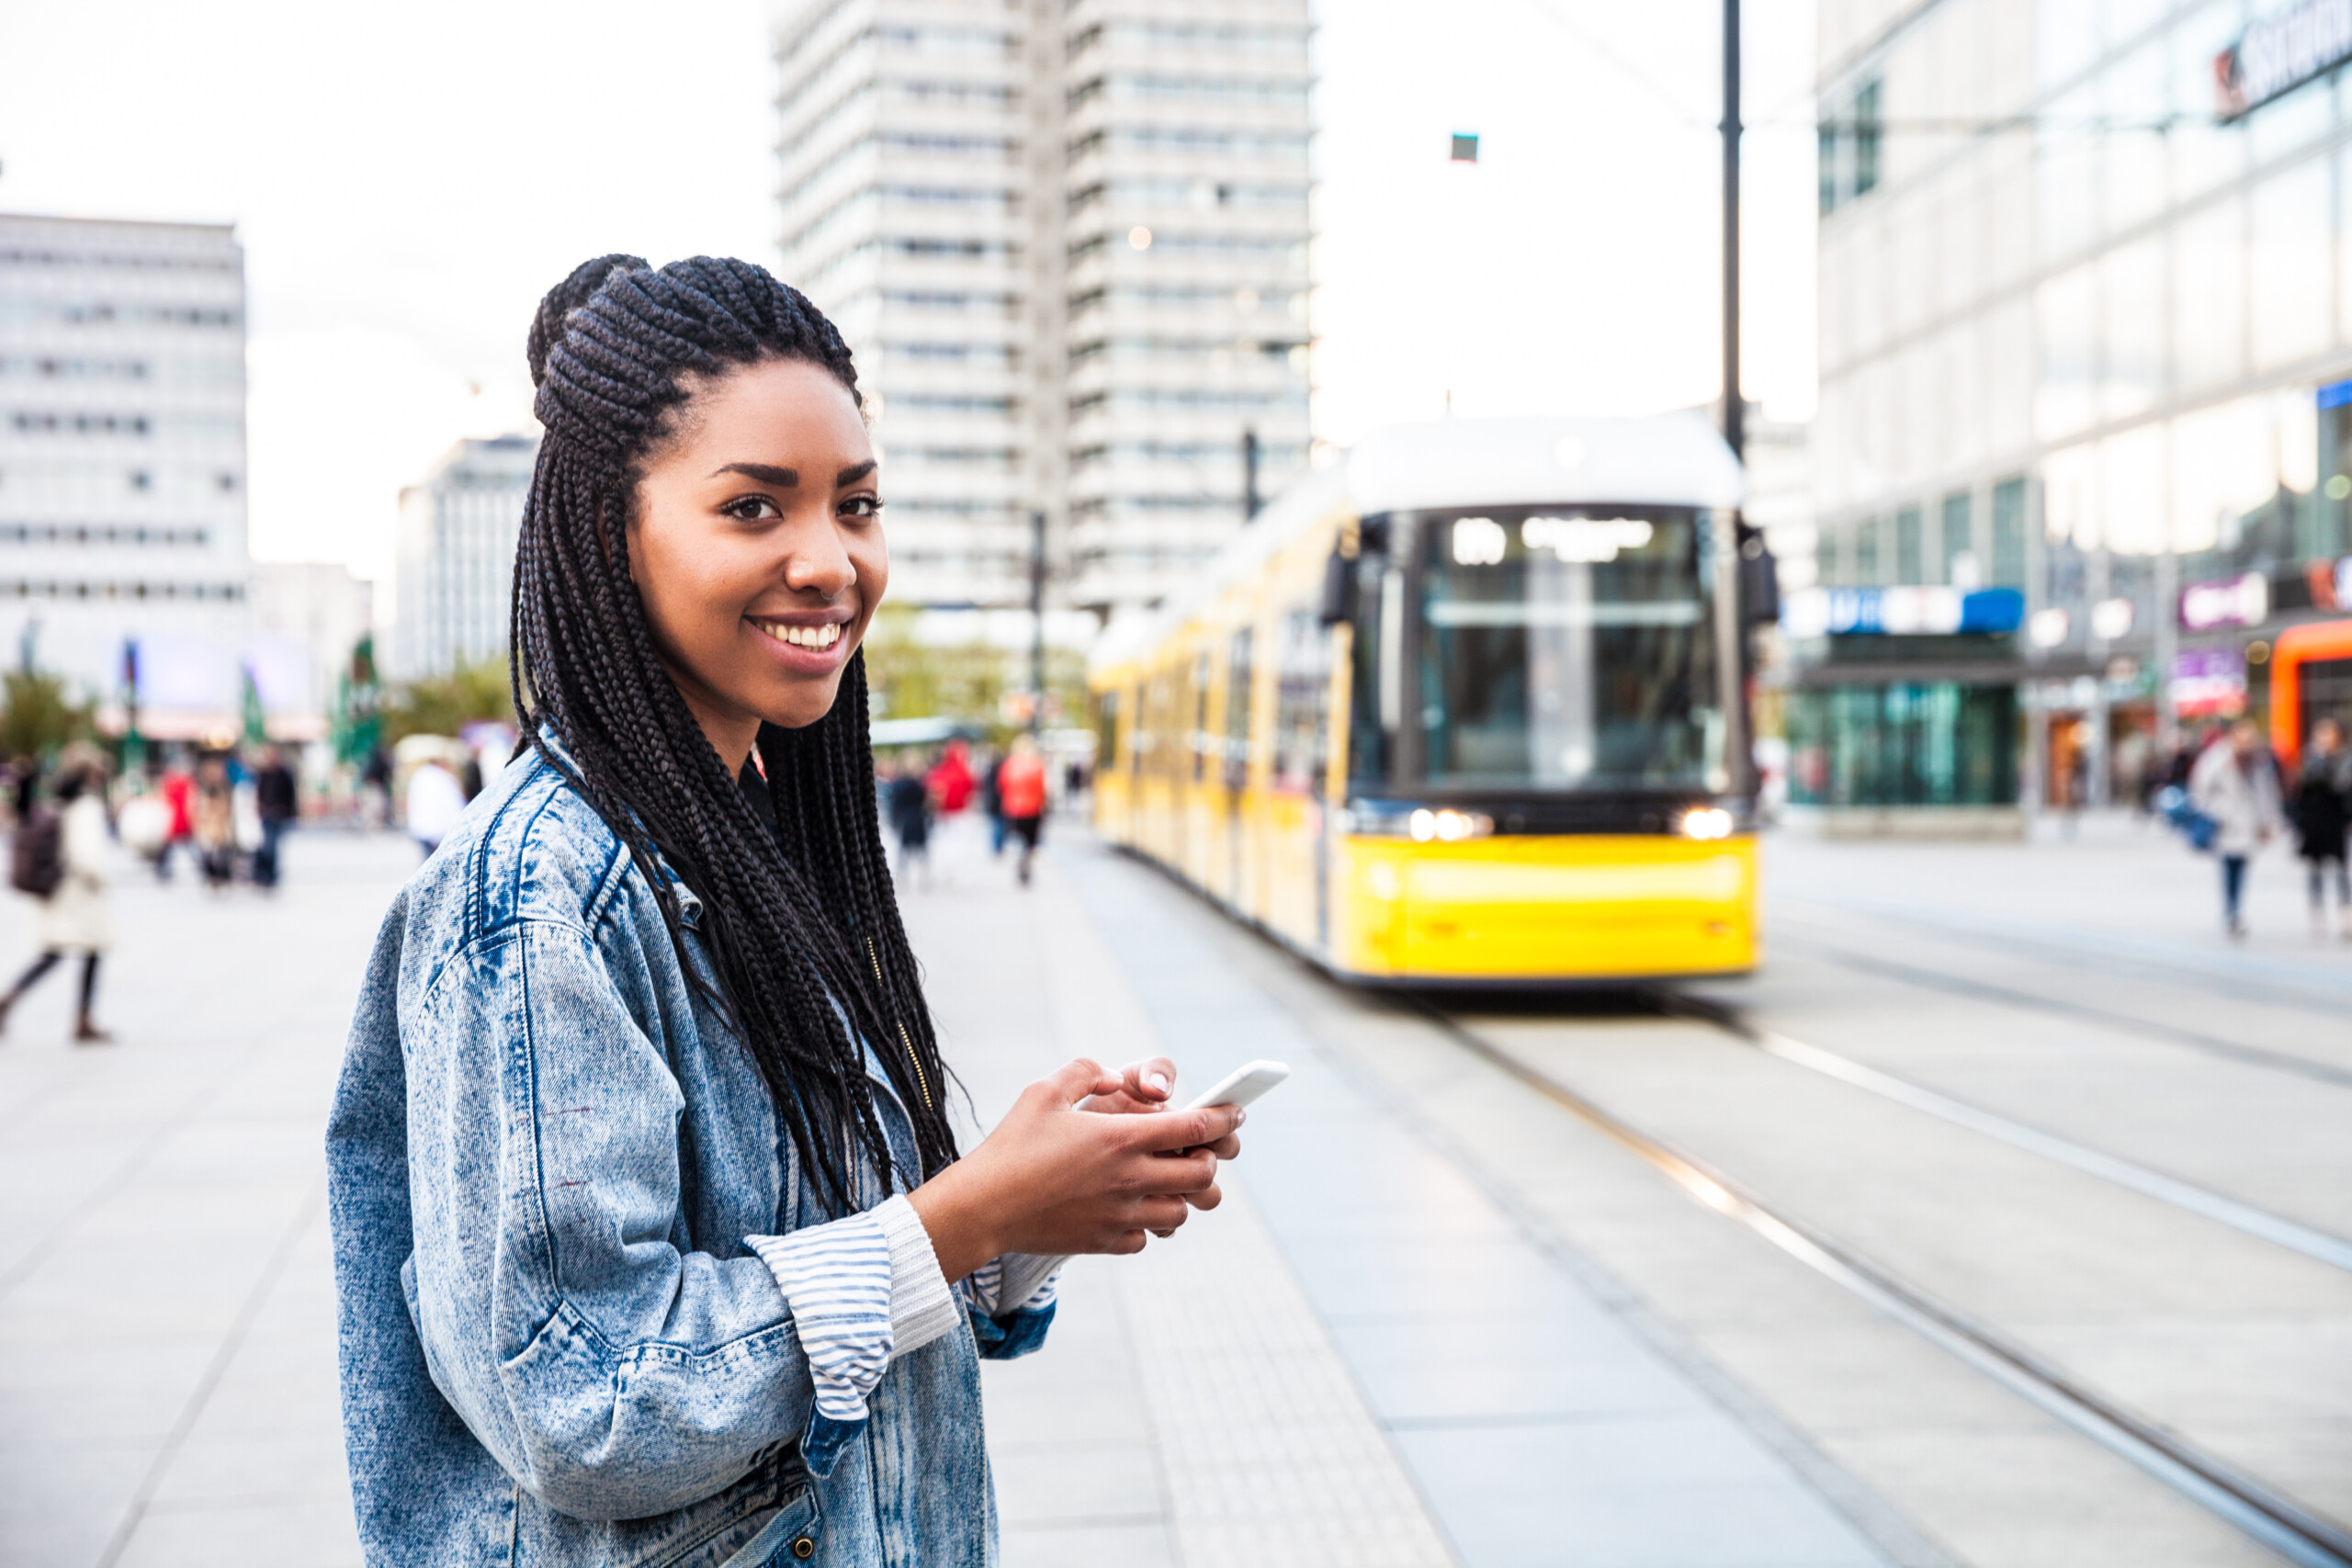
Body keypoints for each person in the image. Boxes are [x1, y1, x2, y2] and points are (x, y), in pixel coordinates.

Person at [325, 255, 1245, 1566]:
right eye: (755, 506)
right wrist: (966, 1215)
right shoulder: (534, 900)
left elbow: (849, 1270)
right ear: (608, 534)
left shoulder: (763, 832)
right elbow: (583, 1400)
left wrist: (1026, 1203)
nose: (830, 561)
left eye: (856, 504)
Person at [0, 759, 112, 1043]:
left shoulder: (57, 803)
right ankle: (83, 1019)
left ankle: (11, 997)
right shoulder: (86, 806)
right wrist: (100, 880)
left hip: (57, 890)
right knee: (91, 949)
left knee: (54, 954)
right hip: (77, 893)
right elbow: (87, 855)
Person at [2190, 718, 2285, 938]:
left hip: (2248, 823)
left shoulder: (2259, 761)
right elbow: (2201, 791)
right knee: (2228, 866)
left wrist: (2269, 821)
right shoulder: (2216, 758)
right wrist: (2220, 812)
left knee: (2241, 867)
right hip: (2226, 823)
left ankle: (2235, 911)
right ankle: (2231, 911)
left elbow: (2267, 793)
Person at [2291, 716, 2352, 939]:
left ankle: (2345, 912)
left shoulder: (2345, 758)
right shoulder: (2310, 757)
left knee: (2340, 868)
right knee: (2314, 869)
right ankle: (2317, 913)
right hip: (2314, 821)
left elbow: (2342, 785)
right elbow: (2301, 787)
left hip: (2336, 820)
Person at [999, 733, 1048, 886]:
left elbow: (1001, 786)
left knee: (1016, 838)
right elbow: (1043, 788)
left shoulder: (1009, 765)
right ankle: (1025, 861)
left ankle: (1020, 861)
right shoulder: (1037, 765)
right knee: (1030, 842)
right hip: (1033, 809)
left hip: (1013, 808)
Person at [401, 750, 467, 861]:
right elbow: (453, 804)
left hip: (421, 827)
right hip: (439, 830)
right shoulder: (444, 778)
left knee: (426, 864)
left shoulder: (418, 776)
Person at [252, 744, 298, 890]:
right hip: (267, 814)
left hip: (279, 814)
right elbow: (259, 792)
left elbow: (291, 795)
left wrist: (288, 812)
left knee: (273, 845)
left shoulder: (284, 774)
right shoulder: (264, 774)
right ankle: (266, 873)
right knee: (267, 845)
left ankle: (270, 874)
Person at [885, 754, 933, 889]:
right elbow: (926, 803)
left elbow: (895, 805)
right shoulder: (919, 785)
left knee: (904, 853)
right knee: (921, 852)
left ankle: (903, 878)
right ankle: (924, 879)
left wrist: (894, 820)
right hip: (917, 819)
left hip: (906, 820)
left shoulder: (898, 785)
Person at [192, 752, 237, 889]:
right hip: (208, 826)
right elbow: (198, 808)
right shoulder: (203, 788)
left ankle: (222, 876)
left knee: (223, 854)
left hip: (222, 826)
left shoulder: (225, 788)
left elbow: (229, 809)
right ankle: (212, 876)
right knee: (207, 854)